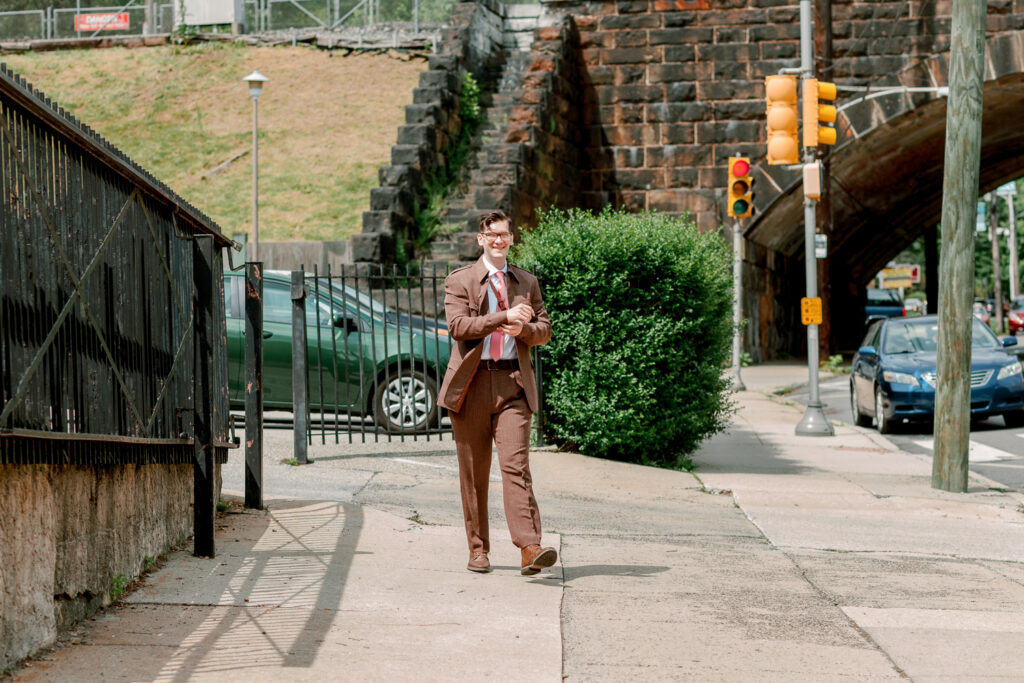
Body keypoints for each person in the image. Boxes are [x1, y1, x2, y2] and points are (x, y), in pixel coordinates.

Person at [439, 210, 556, 575]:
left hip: (512, 385)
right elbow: (458, 326)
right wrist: (503, 318)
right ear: (480, 239)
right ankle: (478, 550)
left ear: (511, 238)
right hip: (471, 386)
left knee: (516, 467)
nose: (498, 241)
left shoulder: (527, 282)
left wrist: (524, 331)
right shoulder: (461, 281)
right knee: (473, 474)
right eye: (491, 235)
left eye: (504, 235)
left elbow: (544, 328)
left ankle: (530, 547)